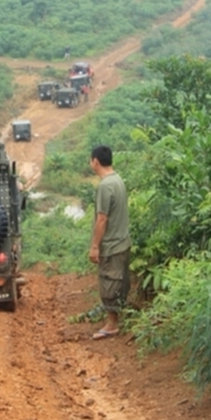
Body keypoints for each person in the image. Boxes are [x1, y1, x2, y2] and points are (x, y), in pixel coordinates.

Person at [88, 145, 131, 340]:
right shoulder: (118, 180)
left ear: (95, 161)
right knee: (120, 282)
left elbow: (102, 219)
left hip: (112, 245)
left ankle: (112, 324)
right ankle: (118, 318)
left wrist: (95, 246)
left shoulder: (105, 186)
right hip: (123, 241)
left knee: (110, 283)